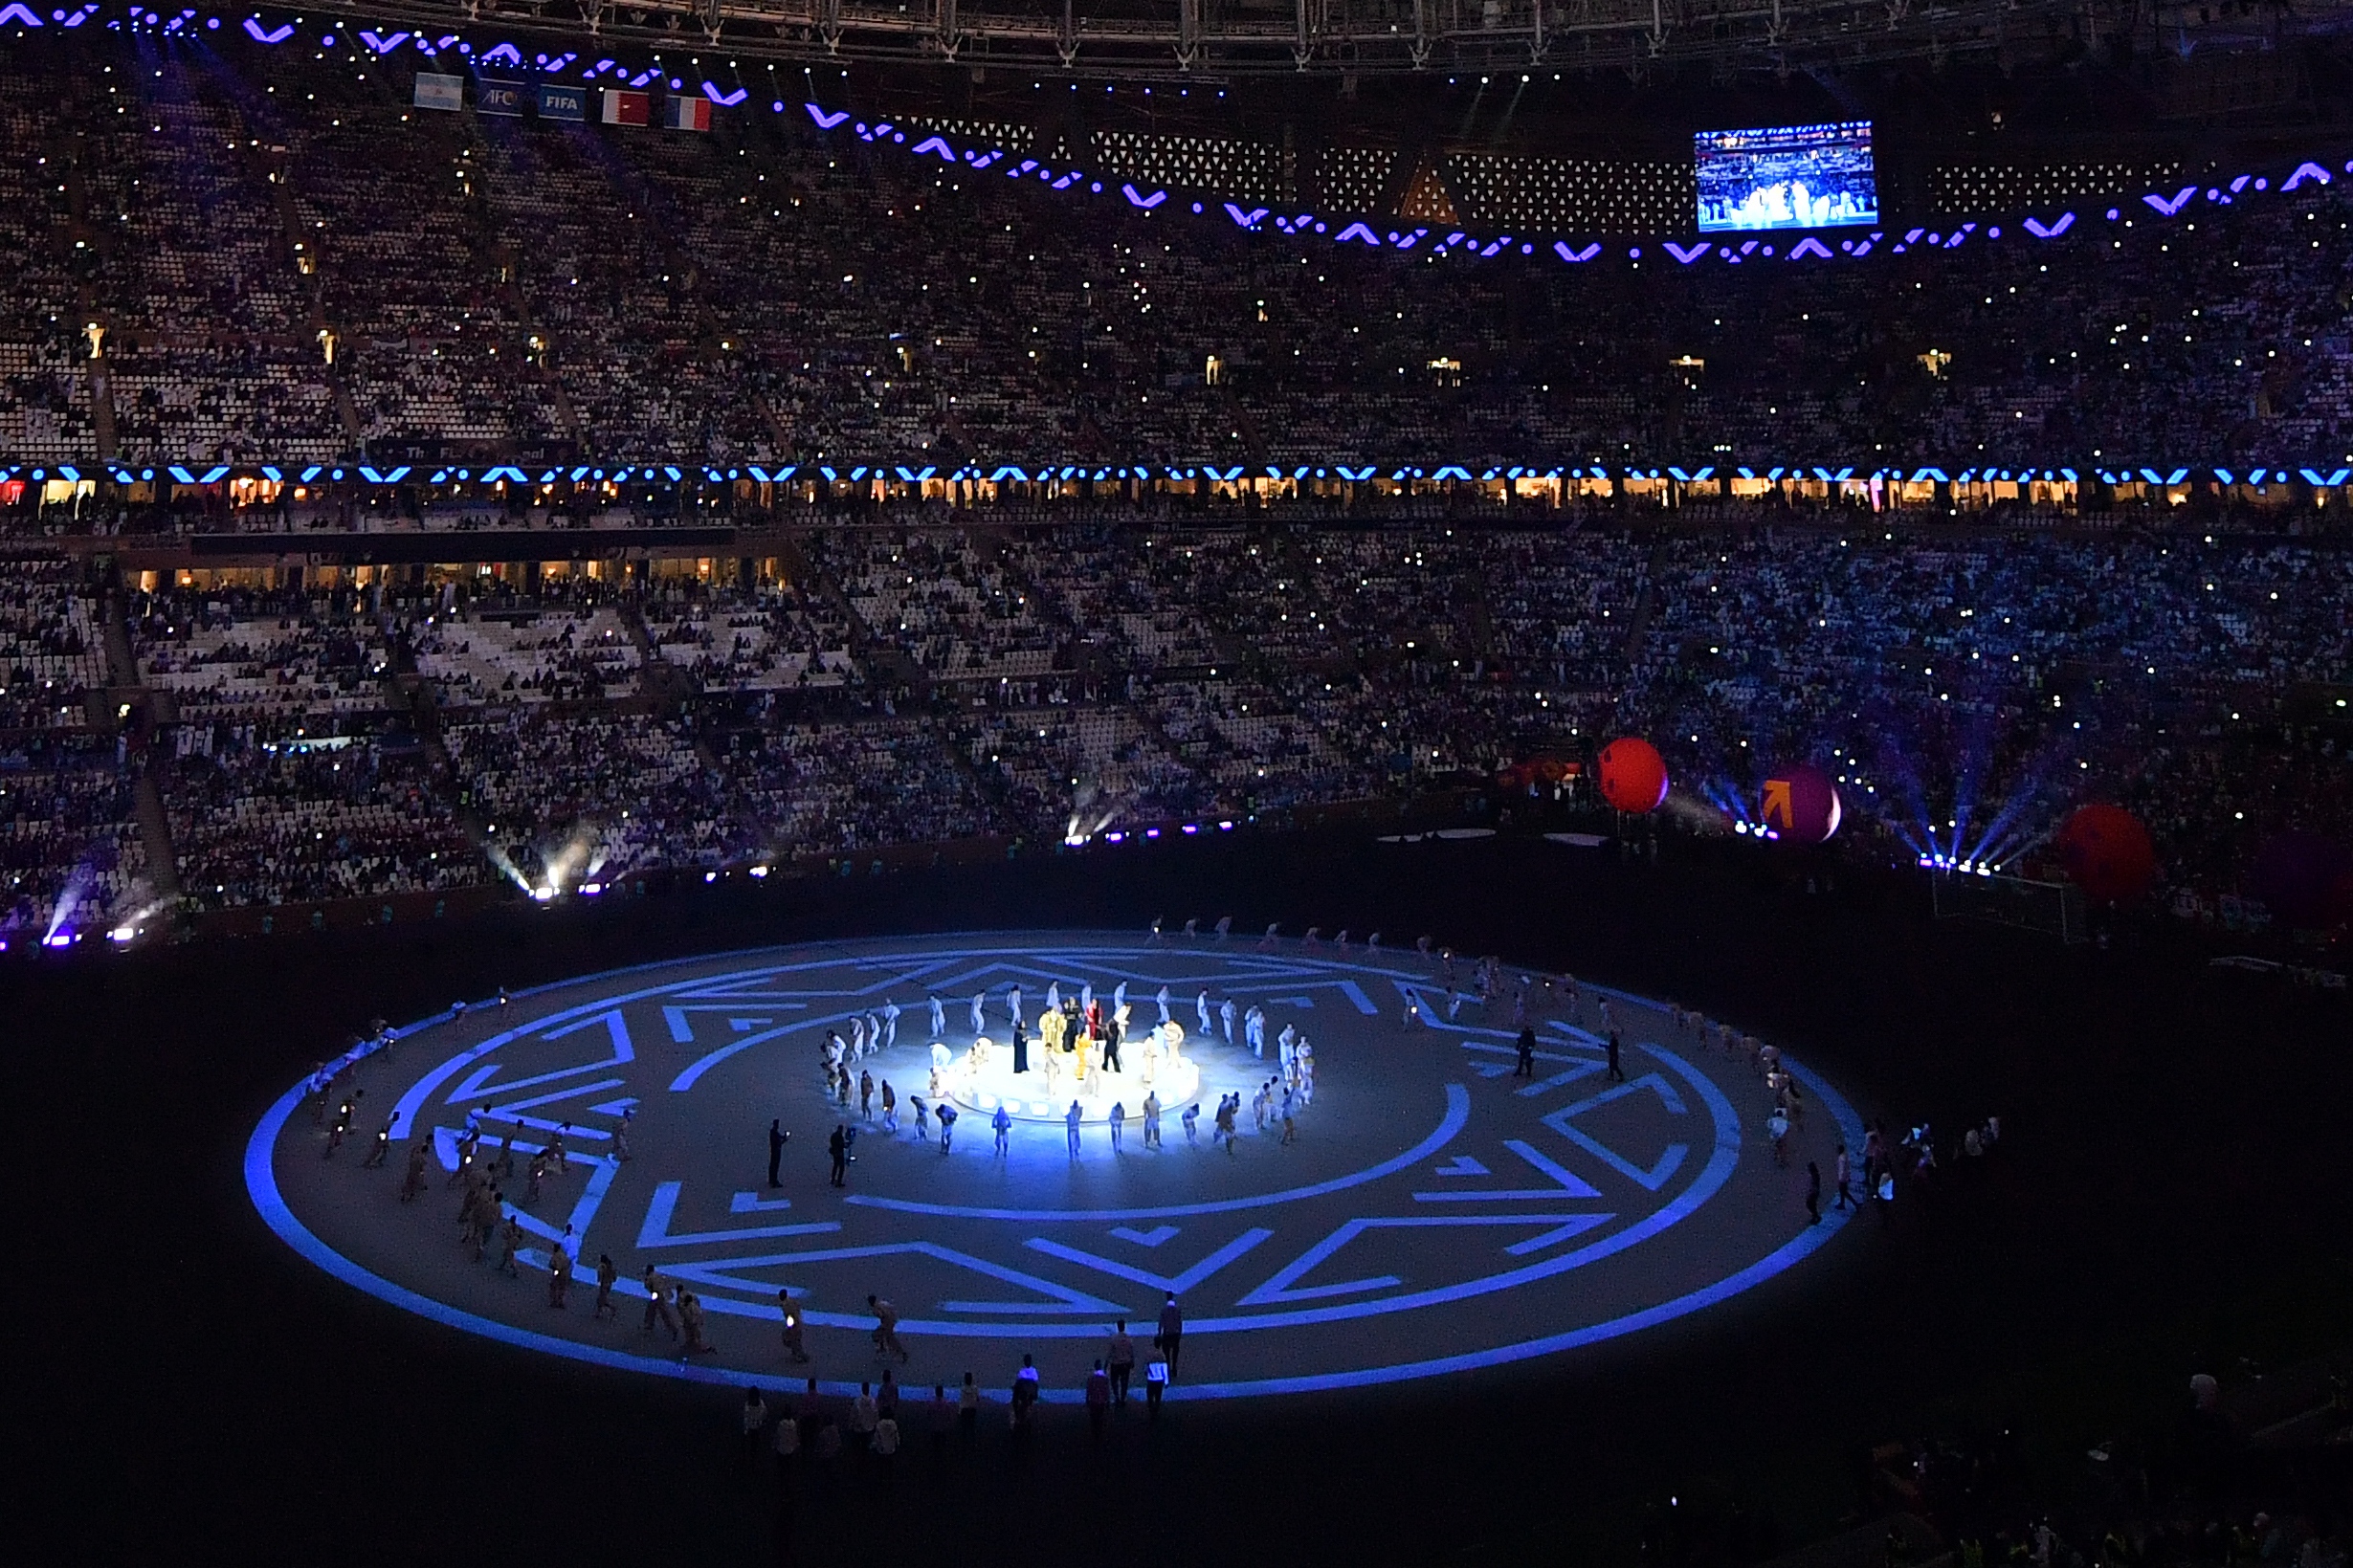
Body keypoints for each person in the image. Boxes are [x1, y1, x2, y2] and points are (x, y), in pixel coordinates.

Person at [870, 1294, 910, 1362]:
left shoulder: (876, 1309)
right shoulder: (882, 1303)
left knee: (887, 1338)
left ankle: (901, 1353)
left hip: (887, 1324)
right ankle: (882, 1347)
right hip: (891, 1322)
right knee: (884, 1336)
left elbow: (881, 1315)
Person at [643, 1266, 678, 1338]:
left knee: (661, 1311)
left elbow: (648, 1286)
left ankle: (672, 1327)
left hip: (656, 1294)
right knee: (652, 1308)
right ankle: (650, 1324)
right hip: (660, 1293)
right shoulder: (658, 1275)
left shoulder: (650, 1277)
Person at [741, 1387, 770, 1475]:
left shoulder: (748, 1406)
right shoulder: (761, 1405)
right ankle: (752, 1461)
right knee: (753, 1445)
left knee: (752, 1445)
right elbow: (765, 1415)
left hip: (752, 1428)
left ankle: (750, 1461)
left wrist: (745, 1430)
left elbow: (746, 1418)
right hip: (755, 1428)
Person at [1106, 1321, 1137, 1404]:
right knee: (1124, 1382)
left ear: (1118, 1326)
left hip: (1116, 1363)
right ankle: (1123, 1397)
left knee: (1114, 1381)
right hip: (1126, 1363)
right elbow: (1131, 1352)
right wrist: (1132, 1361)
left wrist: (1106, 1363)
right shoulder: (1128, 1339)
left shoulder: (1114, 1339)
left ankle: (1117, 1396)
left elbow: (1110, 1352)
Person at [1155, 1292, 1184, 1377]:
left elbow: (1161, 1323)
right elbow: (1180, 1322)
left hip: (1167, 1334)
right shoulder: (1178, 1310)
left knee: (1166, 1352)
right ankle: (1174, 1368)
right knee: (1175, 1352)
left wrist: (1159, 1333)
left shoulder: (1164, 1310)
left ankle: (1168, 1368)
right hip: (1175, 1333)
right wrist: (1180, 1332)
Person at [1010, 1355, 1040, 1435]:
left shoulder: (1033, 1371)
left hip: (1028, 1396)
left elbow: (1035, 1384)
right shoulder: (1021, 1371)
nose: (1027, 1361)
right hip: (1022, 1397)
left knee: (1027, 1414)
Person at [778, 1290, 810, 1362]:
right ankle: (799, 1354)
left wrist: (789, 1327)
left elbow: (790, 1317)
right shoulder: (791, 1301)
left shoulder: (786, 1306)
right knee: (796, 1340)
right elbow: (798, 1307)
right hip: (798, 1322)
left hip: (794, 1325)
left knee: (794, 1340)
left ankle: (798, 1355)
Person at [1085, 1359, 1111, 1444]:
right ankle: (1099, 1433)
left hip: (1093, 1401)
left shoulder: (1091, 1378)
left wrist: (1087, 1399)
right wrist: (1108, 1401)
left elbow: (1089, 1390)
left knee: (1094, 1419)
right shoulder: (1105, 1378)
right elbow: (1107, 1391)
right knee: (1100, 1417)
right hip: (1102, 1401)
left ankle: (1095, 1433)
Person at [594, 1253, 618, 1319]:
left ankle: (612, 1308)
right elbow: (614, 1278)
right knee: (600, 1299)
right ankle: (599, 1312)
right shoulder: (611, 1267)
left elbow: (600, 1275)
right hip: (609, 1284)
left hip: (604, 1284)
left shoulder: (602, 1267)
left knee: (602, 1300)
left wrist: (599, 1279)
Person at [767, 1118, 788, 1187]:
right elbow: (778, 1143)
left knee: (772, 1165)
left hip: (773, 1151)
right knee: (775, 1166)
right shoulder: (774, 1133)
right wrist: (784, 1140)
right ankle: (774, 1181)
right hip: (776, 1151)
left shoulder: (773, 1132)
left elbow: (779, 1137)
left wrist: (784, 1136)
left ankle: (771, 1179)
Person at [828, 1123, 848, 1187]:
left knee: (835, 1166)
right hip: (839, 1153)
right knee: (841, 1167)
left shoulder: (833, 1135)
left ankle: (833, 1179)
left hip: (834, 1153)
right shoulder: (839, 1136)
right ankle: (839, 1182)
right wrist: (845, 1145)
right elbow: (841, 1145)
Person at [1806, 1159, 1823, 1225]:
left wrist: (1812, 1192)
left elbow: (1814, 1185)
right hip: (1813, 1192)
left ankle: (1816, 1216)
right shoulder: (1815, 1175)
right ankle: (1815, 1216)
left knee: (1810, 1204)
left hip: (1813, 1193)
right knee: (1812, 1205)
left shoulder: (1814, 1176)